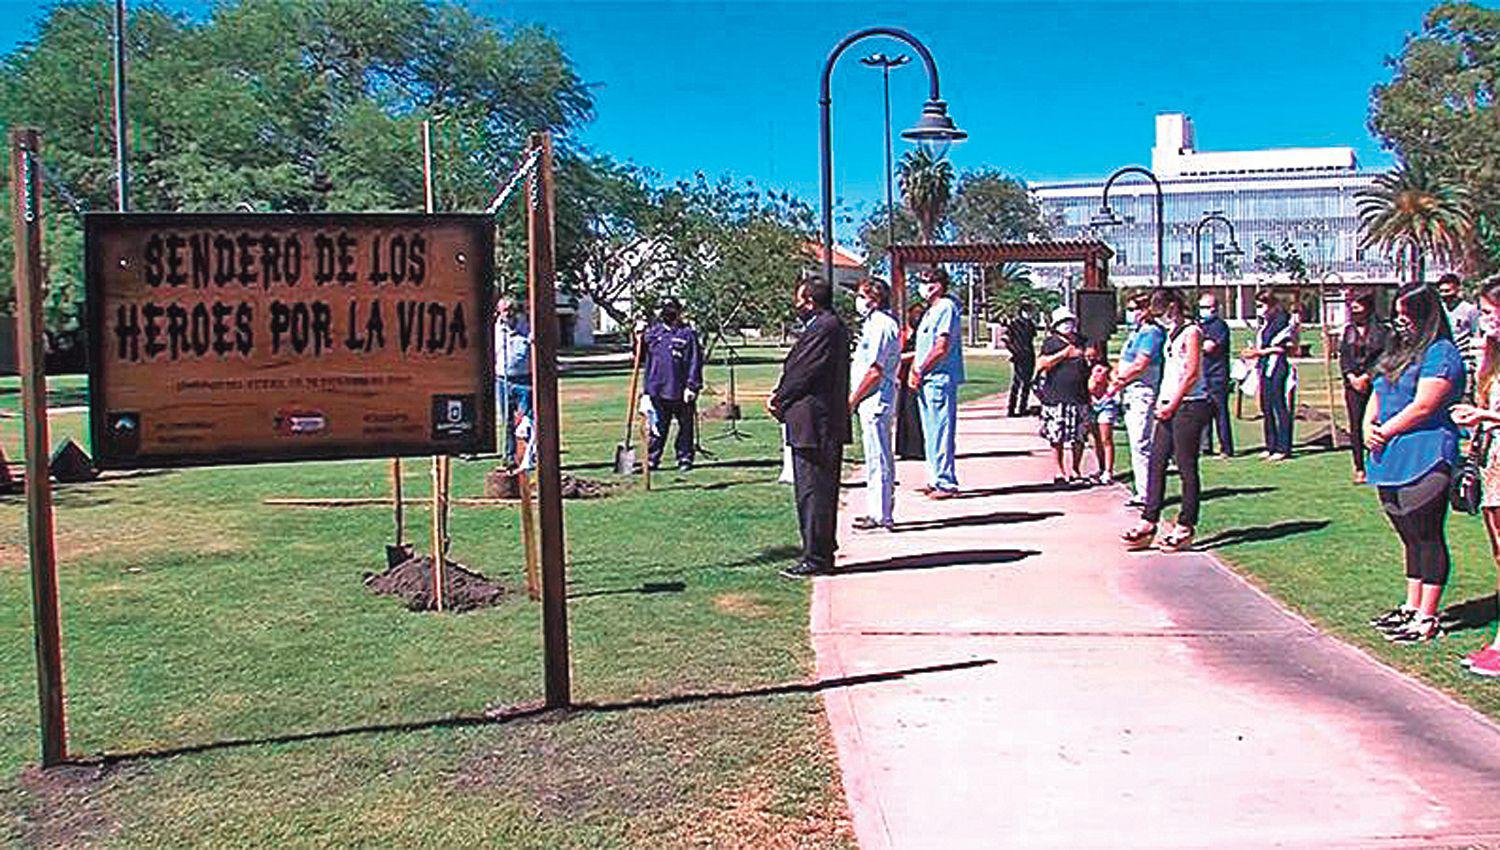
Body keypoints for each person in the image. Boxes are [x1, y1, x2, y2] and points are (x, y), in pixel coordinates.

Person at [1364, 281, 1466, 644]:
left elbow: (1424, 405)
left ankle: (1427, 615)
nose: (1401, 321)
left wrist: (1386, 430)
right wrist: (1368, 426)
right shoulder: (1398, 351)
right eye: (1398, 314)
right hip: (1388, 455)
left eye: (1408, 315)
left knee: (1426, 533)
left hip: (1425, 452)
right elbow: (1378, 391)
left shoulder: (1441, 354)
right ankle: (1411, 605)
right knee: (1407, 535)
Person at [769, 278, 851, 579]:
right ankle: (820, 549)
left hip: (816, 422)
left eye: (800, 300)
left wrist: (779, 398)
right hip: (817, 420)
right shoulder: (828, 326)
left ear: (811, 301)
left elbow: (802, 371)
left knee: (813, 491)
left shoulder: (824, 328)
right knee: (815, 490)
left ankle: (816, 557)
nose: (796, 306)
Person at [1121, 289, 1212, 553]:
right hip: (1167, 405)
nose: (1159, 317)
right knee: (1156, 463)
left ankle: (1185, 525)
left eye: (1161, 311)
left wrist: (1173, 403)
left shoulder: (1192, 332)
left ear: (1173, 307)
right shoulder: (1170, 334)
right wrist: (1164, 403)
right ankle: (1149, 520)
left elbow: (1192, 373)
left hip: (1189, 405)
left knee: (1186, 466)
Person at [1452, 275, 1500, 674]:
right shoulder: (1491, 355)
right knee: (1498, 551)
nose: (1483, 321)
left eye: (1488, 312)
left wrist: (1484, 415)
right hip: (1491, 461)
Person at [848, 278, 902, 531]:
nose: (858, 300)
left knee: (879, 456)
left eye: (862, 295)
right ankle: (876, 509)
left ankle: (881, 513)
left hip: (876, 397)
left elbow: (875, 370)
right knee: (873, 455)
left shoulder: (883, 325)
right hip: (868, 399)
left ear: (875, 299)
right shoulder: (870, 324)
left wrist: (852, 399)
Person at [907, 269, 965, 498]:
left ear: (940, 285)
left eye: (929, 281)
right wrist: (915, 369)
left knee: (941, 429)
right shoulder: (930, 312)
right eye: (922, 281)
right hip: (926, 379)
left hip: (938, 377)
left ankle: (946, 481)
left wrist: (921, 369)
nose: (924, 286)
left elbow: (941, 347)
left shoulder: (946, 308)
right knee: (929, 431)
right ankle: (934, 477)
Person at [1108, 292, 1166, 507]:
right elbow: (1126, 359)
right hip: (1129, 390)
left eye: (1136, 309)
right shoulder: (1136, 332)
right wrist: (1116, 375)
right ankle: (1142, 490)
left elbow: (1142, 364)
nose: (1132, 313)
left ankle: (1148, 493)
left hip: (1142, 390)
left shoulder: (1152, 333)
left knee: (1142, 442)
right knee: (1135, 442)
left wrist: (1120, 380)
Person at [642, 298, 704, 471]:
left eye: (671, 309)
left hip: (681, 390)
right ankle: (652, 459)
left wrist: (692, 386)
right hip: (657, 389)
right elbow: (639, 356)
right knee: (658, 426)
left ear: (678, 311)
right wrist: (637, 335)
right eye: (664, 309)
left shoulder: (687, 334)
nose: (667, 313)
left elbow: (694, 361)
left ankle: (684, 457)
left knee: (685, 427)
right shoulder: (653, 334)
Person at [1036, 306, 1092, 484]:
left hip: (1080, 396)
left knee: (1079, 436)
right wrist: (1064, 354)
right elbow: (1041, 364)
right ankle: (1059, 470)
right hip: (1055, 397)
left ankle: (1076, 468)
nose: (1067, 325)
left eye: (1069, 321)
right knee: (1056, 435)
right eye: (1062, 322)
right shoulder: (1050, 343)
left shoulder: (1082, 341)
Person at [1339, 288, 1390, 484]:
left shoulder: (1382, 331)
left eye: (1358, 305)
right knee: (1356, 425)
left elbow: (1384, 357)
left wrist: (1367, 377)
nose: (1354, 309)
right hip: (1353, 385)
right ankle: (1359, 467)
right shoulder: (1348, 331)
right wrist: (1352, 376)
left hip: (1375, 383)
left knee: (1376, 423)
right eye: (1352, 305)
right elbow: (1344, 357)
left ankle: (1377, 463)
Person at [1243, 290, 1296, 460]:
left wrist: (1259, 352)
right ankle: (1270, 445)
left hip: (1277, 366)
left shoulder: (1281, 321)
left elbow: (1283, 347)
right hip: (1265, 366)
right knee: (1266, 406)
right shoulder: (1265, 324)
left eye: (1261, 305)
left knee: (1278, 405)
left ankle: (1283, 447)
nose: (1259, 309)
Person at [494, 298, 532, 467]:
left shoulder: (527, 327)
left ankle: (531, 455)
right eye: (503, 310)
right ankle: (509, 457)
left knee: (527, 420)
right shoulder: (495, 329)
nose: (507, 313)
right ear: (499, 311)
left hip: (524, 380)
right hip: (502, 380)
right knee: (507, 420)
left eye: (510, 309)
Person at [1197, 292, 1234, 458]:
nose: (1204, 311)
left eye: (1207, 307)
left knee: (1220, 413)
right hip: (1203, 375)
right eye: (1202, 307)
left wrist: (1196, 344)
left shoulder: (1219, 326)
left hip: (1217, 376)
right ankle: (1205, 446)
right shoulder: (1200, 326)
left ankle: (1226, 448)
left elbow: (1209, 346)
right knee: (1203, 413)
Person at [1440, 272, 1479, 391]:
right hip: (1444, 362)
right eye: (1442, 291)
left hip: (1464, 362)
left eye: (1448, 291)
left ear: (1457, 289)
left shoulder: (1469, 310)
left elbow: (1476, 335)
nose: (1445, 295)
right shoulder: (1439, 309)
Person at [1086, 339, 1119, 486]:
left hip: (1105, 404)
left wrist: (1110, 387)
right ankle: (1101, 468)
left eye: (1093, 351)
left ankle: (1108, 471)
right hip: (1091, 405)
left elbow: (1115, 382)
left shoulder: (1105, 368)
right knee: (1095, 439)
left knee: (1106, 439)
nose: (1089, 354)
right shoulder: (1083, 367)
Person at [1005, 301, 1038, 417]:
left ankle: (1022, 407)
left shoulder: (1031, 325)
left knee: (1027, 383)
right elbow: (1006, 340)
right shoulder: (1014, 324)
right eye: (1027, 311)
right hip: (1019, 356)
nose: (1029, 314)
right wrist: (1014, 351)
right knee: (1016, 382)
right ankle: (1011, 409)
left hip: (1029, 355)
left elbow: (1032, 337)